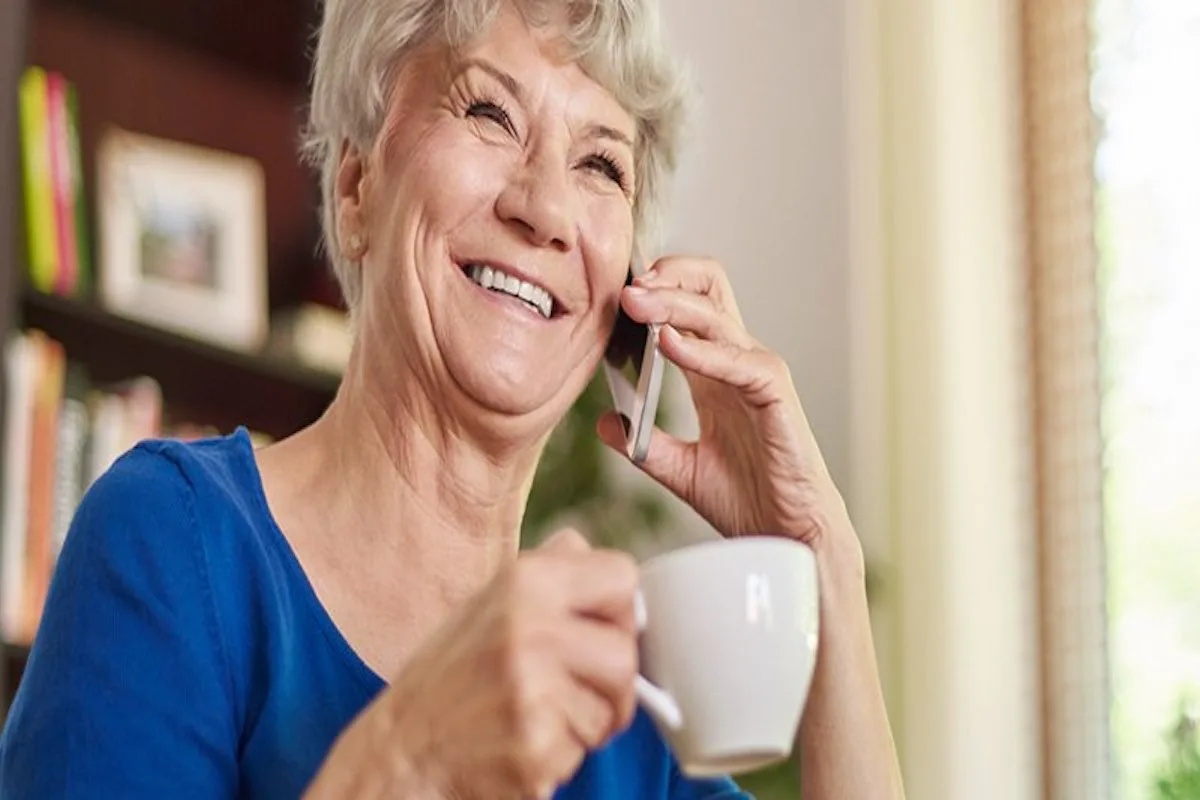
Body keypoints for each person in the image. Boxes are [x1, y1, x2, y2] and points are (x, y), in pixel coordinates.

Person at [0, 0, 905, 797]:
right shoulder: (172, 541)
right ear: (357, 187)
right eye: (488, 111)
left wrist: (819, 555)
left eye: (601, 167)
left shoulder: (636, 700)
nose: (546, 208)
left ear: (630, 292)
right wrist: (408, 765)